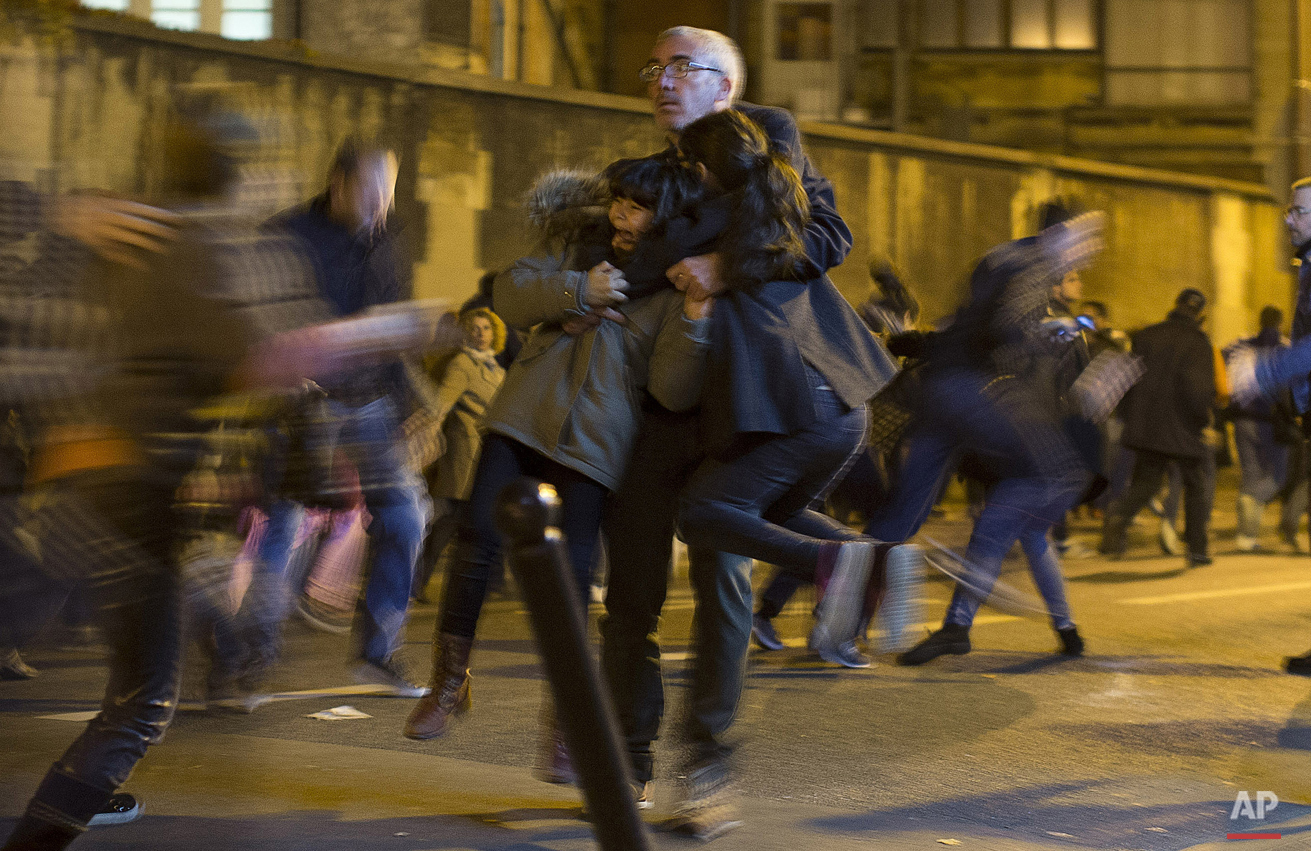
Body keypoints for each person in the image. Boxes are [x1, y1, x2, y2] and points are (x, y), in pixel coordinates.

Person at [597, 26, 864, 838]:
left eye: (683, 66)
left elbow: (826, 237)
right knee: (632, 592)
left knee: (720, 578)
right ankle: (627, 766)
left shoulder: (765, 139)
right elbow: (620, 267)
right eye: (655, 65)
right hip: (656, 402)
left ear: (726, 87)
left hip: (746, 402)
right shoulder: (635, 175)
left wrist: (723, 264)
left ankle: (705, 765)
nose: (662, 79)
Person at [402, 157, 714, 766]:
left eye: (637, 207)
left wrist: (697, 319)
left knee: (567, 583)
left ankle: (565, 719)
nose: (621, 216)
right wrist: (578, 291)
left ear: (666, 216)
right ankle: (449, 681)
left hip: (596, 447)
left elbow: (675, 388)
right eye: (618, 202)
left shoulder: (674, 286)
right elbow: (509, 294)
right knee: (476, 540)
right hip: (521, 414)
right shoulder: (577, 245)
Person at [861, 208, 1106, 666]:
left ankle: (843, 616)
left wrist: (914, 342)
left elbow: (967, 325)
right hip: (980, 401)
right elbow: (1010, 327)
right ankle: (974, 613)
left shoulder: (1000, 259)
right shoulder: (1034, 270)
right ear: (1057, 235)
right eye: (1085, 239)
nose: (1091, 252)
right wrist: (1051, 338)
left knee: (904, 517)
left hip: (947, 392)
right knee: (1043, 479)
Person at [266, 138, 434, 696]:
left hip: (371, 402)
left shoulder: (388, 238)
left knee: (406, 517)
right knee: (282, 523)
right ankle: (245, 659)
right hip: (301, 402)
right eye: (371, 193)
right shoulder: (289, 236)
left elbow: (393, 327)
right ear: (339, 184)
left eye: (388, 195)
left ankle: (379, 651)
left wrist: (414, 407)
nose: (381, 208)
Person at [1099, 289, 1218, 566]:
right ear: (1200, 313)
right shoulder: (1198, 341)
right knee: (1196, 485)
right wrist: (1202, 422)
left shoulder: (1147, 335)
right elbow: (1198, 389)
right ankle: (1197, 549)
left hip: (1148, 424)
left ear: (1175, 305)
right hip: (1182, 427)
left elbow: (1128, 379)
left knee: (1146, 481)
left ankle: (1119, 516)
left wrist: (1129, 416)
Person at [411, 306, 507, 601]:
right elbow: (440, 404)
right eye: (475, 328)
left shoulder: (496, 368)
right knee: (450, 521)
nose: (481, 334)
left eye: (486, 328)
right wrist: (422, 436)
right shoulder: (462, 364)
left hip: (484, 453)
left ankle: (472, 583)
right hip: (465, 452)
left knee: (464, 521)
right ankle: (417, 582)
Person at [1224, 306, 1292, 552]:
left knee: (1251, 475)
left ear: (1259, 321)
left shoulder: (1239, 345)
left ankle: (1246, 536)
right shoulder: (1286, 348)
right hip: (1271, 424)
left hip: (1242, 421)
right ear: (1280, 323)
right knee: (1277, 476)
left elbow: (1221, 366)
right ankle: (1251, 503)